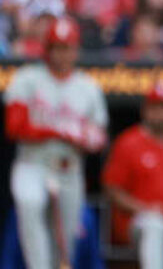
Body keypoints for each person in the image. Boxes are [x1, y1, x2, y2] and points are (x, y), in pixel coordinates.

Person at [3, 18, 107, 269]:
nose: (62, 54)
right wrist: (60, 131)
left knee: (65, 242)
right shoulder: (27, 78)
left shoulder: (88, 87)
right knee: (31, 204)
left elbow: (99, 137)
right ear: (47, 49)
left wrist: (88, 139)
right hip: (33, 163)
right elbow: (14, 127)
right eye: (57, 47)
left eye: (67, 47)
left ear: (76, 50)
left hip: (69, 169)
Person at [102, 78, 163, 269]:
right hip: (137, 224)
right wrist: (143, 208)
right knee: (155, 224)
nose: (160, 113)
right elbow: (112, 189)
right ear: (145, 110)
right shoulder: (129, 142)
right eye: (155, 107)